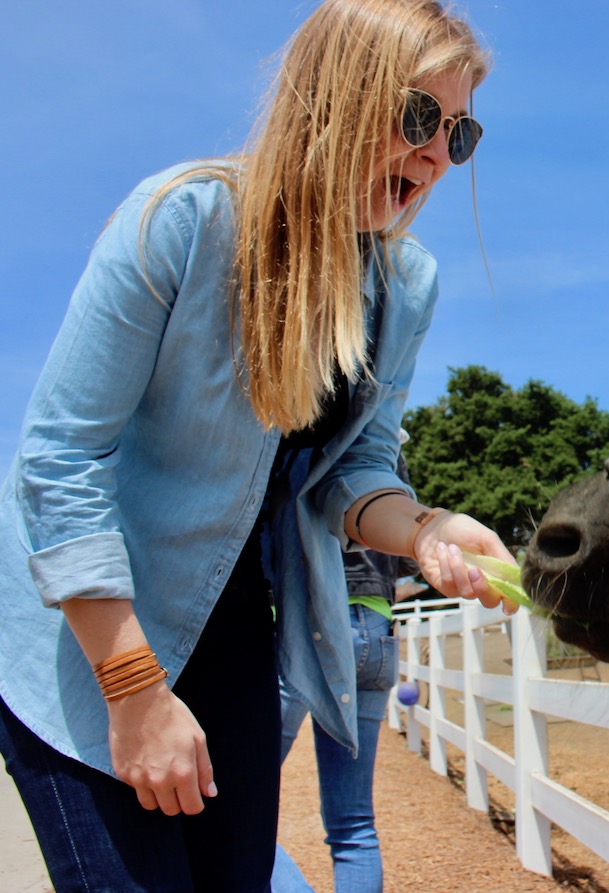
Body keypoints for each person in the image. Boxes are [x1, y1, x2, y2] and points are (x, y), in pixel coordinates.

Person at [0, 2, 517, 891]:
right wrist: (131, 688)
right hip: (85, 641)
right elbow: (58, 460)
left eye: (459, 134)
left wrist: (427, 529)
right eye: (420, 117)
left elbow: (352, 471)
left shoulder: (405, 285)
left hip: (234, 631)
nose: (437, 155)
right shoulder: (180, 220)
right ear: (330, 98)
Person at [272, 435, 420, 893]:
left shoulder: (295, 426)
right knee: (354, 824)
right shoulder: (385, 446)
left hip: (307, 619)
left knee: (232, 803)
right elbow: (402, 552)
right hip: (375, 628)